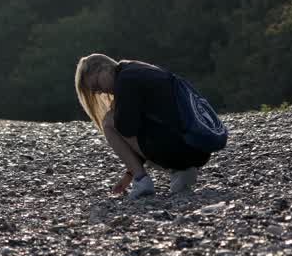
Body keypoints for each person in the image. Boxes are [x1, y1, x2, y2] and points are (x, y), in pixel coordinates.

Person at [75, 53, 213, 199]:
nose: (101, 92)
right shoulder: (137, 68)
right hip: (199, 149)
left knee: (108, 122)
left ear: (104, 68)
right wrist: (128, 174)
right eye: (96, 91)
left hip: (178, 150)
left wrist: (116, 109)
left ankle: (142, 180)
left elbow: (127, 130)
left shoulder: (125, 81)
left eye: (97, 86)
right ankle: (182, 170)